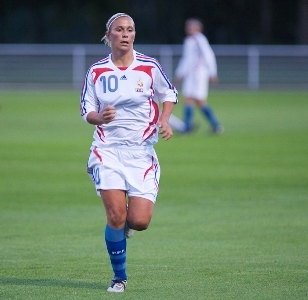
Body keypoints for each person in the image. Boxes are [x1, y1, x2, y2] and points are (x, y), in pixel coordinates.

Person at [80, 13, 178, 293]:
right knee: (115, 216)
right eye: (119, 30)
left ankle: (125, 227)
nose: (125, 34)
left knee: (139, 221)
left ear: (134, 35)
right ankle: (119, 277)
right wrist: (100, 117)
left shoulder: (148, 66)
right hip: (106, 150)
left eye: (130, 30)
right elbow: (86, 110)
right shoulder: (97, 71)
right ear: (108, 35)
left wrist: (165, 120)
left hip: (141, 154)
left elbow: (169, 93)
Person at [175, 18, 223, 134]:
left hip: (199, 73)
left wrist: (213, 73)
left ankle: (215, 125)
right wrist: (179, 73)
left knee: (199, 100)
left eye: (192, 27)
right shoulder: (188, 41)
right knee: (188, 98)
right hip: (191, 75)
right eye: (188, 27)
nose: (189, 29)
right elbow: (186, 59)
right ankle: (188, 126)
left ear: (199, 29)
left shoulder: (200, 40)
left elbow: (209, 56)